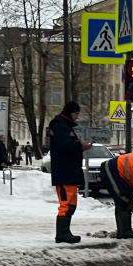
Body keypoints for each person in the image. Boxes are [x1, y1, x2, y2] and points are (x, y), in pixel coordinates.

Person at [48, 101, 92, 244]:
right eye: (76, 113)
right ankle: (61, 234)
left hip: (69, 172)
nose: (77, 117)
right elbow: (64, 146)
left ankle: (65, 232)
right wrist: (80, 145)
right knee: (66, 204)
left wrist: (79, 145)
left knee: (70, 204)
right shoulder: (59, 125)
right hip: (64, 171)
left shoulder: (63, 125)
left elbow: (67, 144)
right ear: (69, 112)